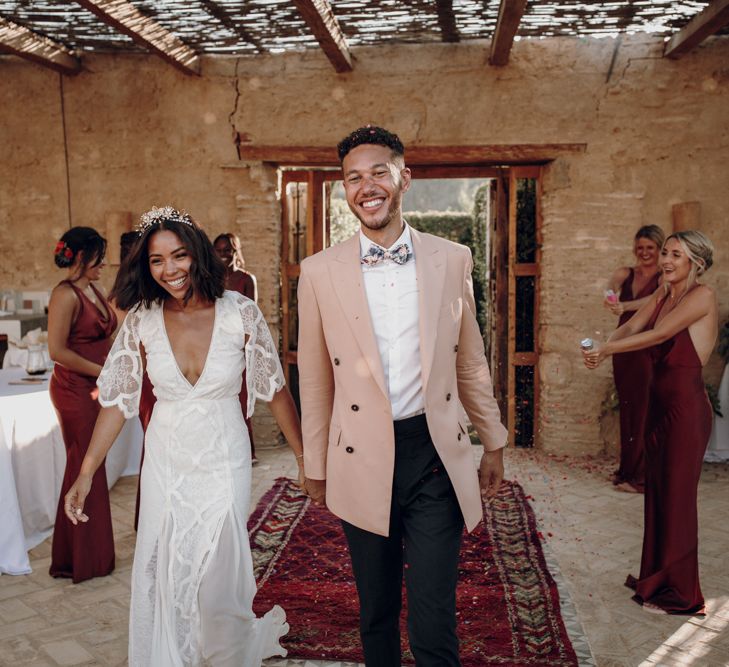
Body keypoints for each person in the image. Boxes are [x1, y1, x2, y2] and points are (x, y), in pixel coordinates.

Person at [297, 127, 507, 666]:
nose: (367, 187)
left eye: (378, 173)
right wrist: (313, 461)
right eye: (353, 178)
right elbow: (316, 377)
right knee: (377, 607)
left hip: (433, 451)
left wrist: (494, 440)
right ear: (345, 190)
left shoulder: (452, 258)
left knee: (435, 611)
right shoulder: (319, 272)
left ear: (403, 179)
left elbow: (469, 358)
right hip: (360, 453)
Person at [63, 207, 305, 665]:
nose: (169, 270)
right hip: (168, 461)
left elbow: (274, 390)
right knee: (169, 571)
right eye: (156, 261)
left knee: (217, 576)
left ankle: (222, 652)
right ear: (145, 266)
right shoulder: (142, 320)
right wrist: (85, 471)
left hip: (223, 456)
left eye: (178, 256)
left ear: (196, 254)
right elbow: (116, 402)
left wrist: (303, 459)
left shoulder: (241, 313)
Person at [584, 230, 717, 615]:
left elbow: (660, 333)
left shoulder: (701, 296)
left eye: (676, 254)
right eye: (664, 253)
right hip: (659, 408)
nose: (665, 260)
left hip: (686, 412)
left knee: (677, 501)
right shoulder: (663, 292)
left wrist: (606, 349)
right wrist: (604, 344)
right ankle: (656, 578)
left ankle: (681, 594)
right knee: (658, 495)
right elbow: (633, 325)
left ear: (696, 261)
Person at [47, 226, 117, 583]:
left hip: (96, 387)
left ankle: (88, 554)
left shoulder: (95, 289)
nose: (104, 263)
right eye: (98, 256)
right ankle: (81, 560)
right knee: (84, 463)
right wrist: (101, 371)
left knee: (94, 464)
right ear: (82, 257)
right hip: (74, 389)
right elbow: (56, 352)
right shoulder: (65, 294)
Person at [604, 225, 665, 492]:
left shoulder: (665, 277)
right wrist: (611, 296)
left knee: (642, 409)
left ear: (659, 249)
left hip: (646, 345)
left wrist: (625, 306)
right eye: (640, 247)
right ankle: (626, 469)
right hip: (623, 347)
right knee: (627, 406)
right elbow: (610, 287)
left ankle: (640, 477)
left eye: (650, 248)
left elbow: (653, 301)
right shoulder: (626, 272)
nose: (644, 252)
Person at [214, 233, 258, 462]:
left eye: (227, 250)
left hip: (239, 347)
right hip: (214, 346)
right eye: (219, 250)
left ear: (235, 251)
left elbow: (252, 316)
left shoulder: (245, 279)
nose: (223, 255)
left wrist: (248, 350)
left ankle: (246, 450)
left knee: (240, 399)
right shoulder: (210, 279)